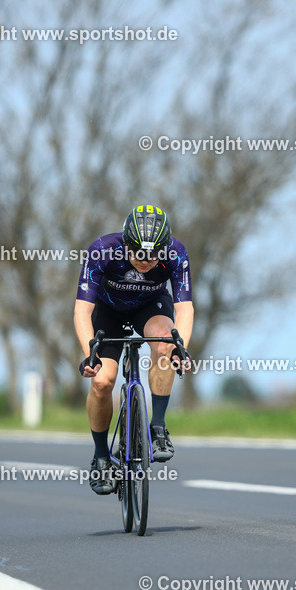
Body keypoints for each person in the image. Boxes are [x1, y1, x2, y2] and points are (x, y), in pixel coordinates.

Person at [74, 204, 193, 495]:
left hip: (150, 307)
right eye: (138, 252)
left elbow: (185, 308)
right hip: (107, 312)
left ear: (164, 249)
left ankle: (158, 429)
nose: (144, 260)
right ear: (126, 244)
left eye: (152, 255)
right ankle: (102, 456)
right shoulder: (102, 249)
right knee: (102, 382)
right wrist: (90, 353)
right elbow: (81, 310)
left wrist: (181, 349)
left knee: (165, 343)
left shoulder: (176, 253)